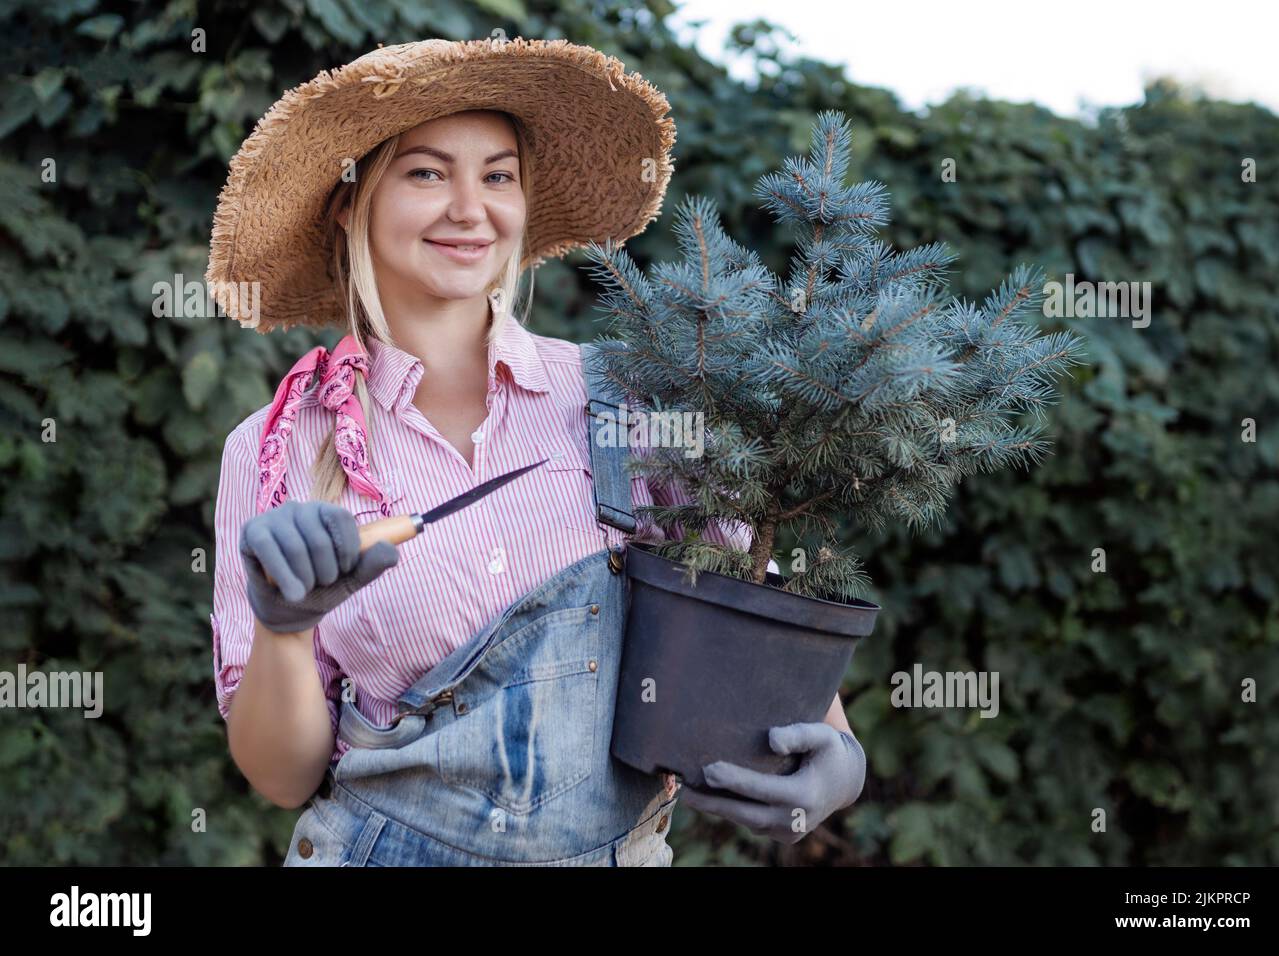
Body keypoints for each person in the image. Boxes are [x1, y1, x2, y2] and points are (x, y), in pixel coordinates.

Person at [206, 38, 866, 867]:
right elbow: (281, 776)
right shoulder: (278, 449)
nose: (468, 208)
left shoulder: (626, 400)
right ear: (349, 203)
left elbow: (748, 610)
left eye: (497, 174)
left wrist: (840, 756)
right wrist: (284, 630)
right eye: (424, 172)